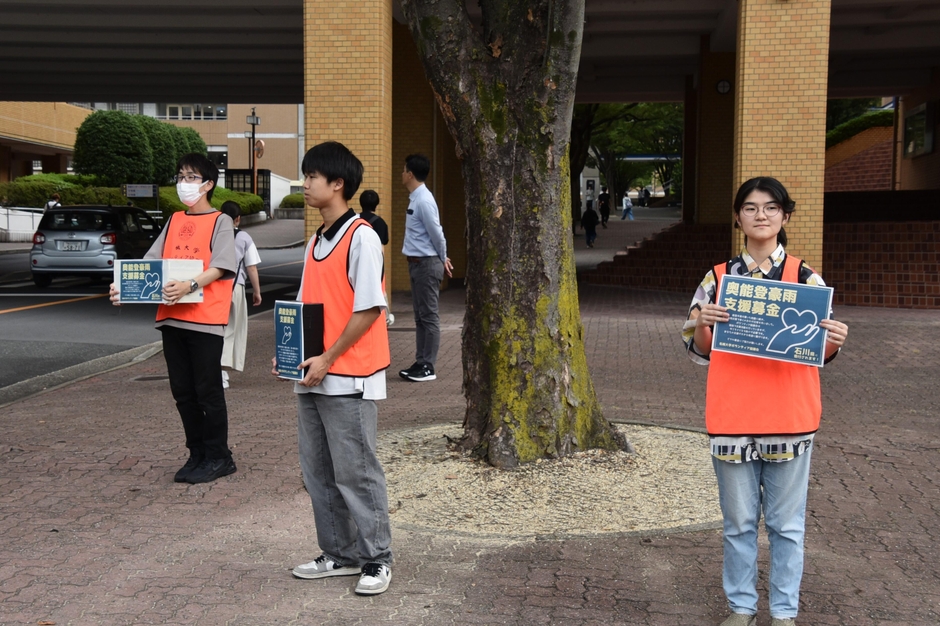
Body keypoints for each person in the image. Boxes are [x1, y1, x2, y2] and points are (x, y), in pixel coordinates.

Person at [682, 177, 849, 626]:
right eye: (751, 207)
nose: (761, 215)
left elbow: (820, 352)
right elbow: (699, 348)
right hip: (732, 416)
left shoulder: (806, 278)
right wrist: (704, 322)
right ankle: (741, 608)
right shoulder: (717, 278)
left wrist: (834, 340)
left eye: (771, 207)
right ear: (738, 218)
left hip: (789, 416)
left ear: (785, 216)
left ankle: (784, 613)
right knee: (738, 524)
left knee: (786, 525)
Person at [275, 141, 393, 596]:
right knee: (319, 472)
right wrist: (289, 353)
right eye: (305, 176)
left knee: (356, 472)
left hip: (348, 376)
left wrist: (327, 358)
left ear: (338, 183)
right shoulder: (316, 241)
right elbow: (306, 308)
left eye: (312, 177)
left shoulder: (361, 236)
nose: (305, 184)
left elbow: (369, 309)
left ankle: (377, 558)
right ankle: (340, 553)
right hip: (313, 375)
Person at [109, 153, 237, 484]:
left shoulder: (221, 221)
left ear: (208, 185)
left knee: (208, 391)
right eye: (181, 176)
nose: (184, 182)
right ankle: (197, 453)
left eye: (191, 177)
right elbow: (150, 264)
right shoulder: (174, 220)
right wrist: (124, 289)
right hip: (172, 319)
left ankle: (219, 456)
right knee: (183, 392)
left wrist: (189, 285)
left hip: (205, 320)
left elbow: (221, 266)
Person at [399, 153, 452, 383]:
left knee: (428, 317)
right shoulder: (416, 198)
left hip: (426, 264)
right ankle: (420, 361)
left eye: (404, 170)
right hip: (417, 264)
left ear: (410, 174)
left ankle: (428, 366)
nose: (402, 174)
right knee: (420, 317)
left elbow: (437, 233)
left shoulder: (424, 200)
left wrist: (443, 257)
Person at [219, 201, 262, 389]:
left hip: (211, 287)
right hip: (234, 287)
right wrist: (257, 292)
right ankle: (221, 371)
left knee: (214, 330)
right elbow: (251, 267)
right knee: (231, 328)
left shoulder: (213, 234)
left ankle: (211, 368)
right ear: (238, 219)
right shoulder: (244, 238)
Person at [358, 189, 394, 326]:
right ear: (376, 204)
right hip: (374, 267)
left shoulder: (353, 221)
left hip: (355, 265)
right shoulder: (381, 223)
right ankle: (383, 319)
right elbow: (381, 249)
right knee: (378, 293)